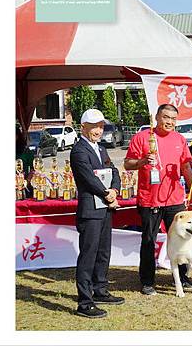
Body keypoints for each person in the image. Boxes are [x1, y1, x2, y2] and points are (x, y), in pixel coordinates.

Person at [124, 104, 192, 296]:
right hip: (150, 199)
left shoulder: (180, 139)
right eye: (166, 117)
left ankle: (182, 277)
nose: (169, 122)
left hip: (175, 199)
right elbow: (127, 164)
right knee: (149, 240)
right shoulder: (142, 137)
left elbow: (186, 166)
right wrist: (141, 162)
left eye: (173, 119)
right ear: (157, 117)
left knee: (182, 238)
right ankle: (147, 281)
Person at [70, 109, 124, 318]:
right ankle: (85, 302)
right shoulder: (79, 150)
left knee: (103, 252)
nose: (98, 130)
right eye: (94, 126)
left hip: (104, 208)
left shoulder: (101, 149)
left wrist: (115, 190)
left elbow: (114, 172)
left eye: (101, 126)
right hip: (91, 210)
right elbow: (87, 178)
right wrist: (106, 193)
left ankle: (100, 289)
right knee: (88, 255)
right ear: (83, 127)